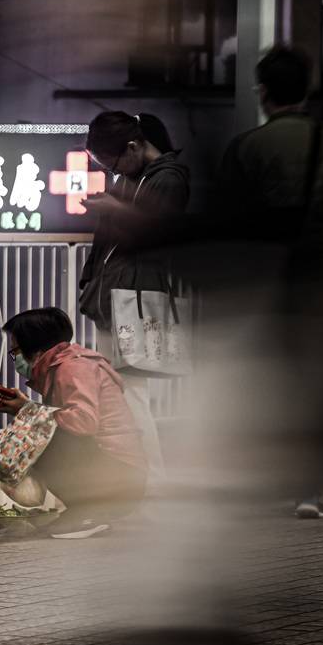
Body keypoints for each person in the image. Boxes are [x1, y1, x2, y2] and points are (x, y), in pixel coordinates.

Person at [222, 44, 323, 518]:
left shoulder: (247, 147)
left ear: (263, 91)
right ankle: (308, 488)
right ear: (306, 89)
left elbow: (228, 226)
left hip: (260, 287)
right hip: (317, 283)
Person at [79, 111, 190, 475]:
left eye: (112, 164)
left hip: (133, 298)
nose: (112, 172)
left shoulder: (169, 178)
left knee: (128, 393)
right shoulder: (134, 177)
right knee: (123, 391)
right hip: (118, 296)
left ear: (132, 147)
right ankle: (141, 474)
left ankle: (148, 476)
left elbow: (158, 234)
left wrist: (114, 208)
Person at [0, 307, 148, 538]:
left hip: (118, 478)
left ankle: (90, 512)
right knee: (38, 426)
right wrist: (27, 408)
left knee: (36, 433)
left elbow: (83, 422)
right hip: (118, 475)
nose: (16, 359)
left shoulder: (72, 367)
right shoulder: (66, 365)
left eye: (16, 351)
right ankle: (82, 510)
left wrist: (27, 410)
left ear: (35, 346)